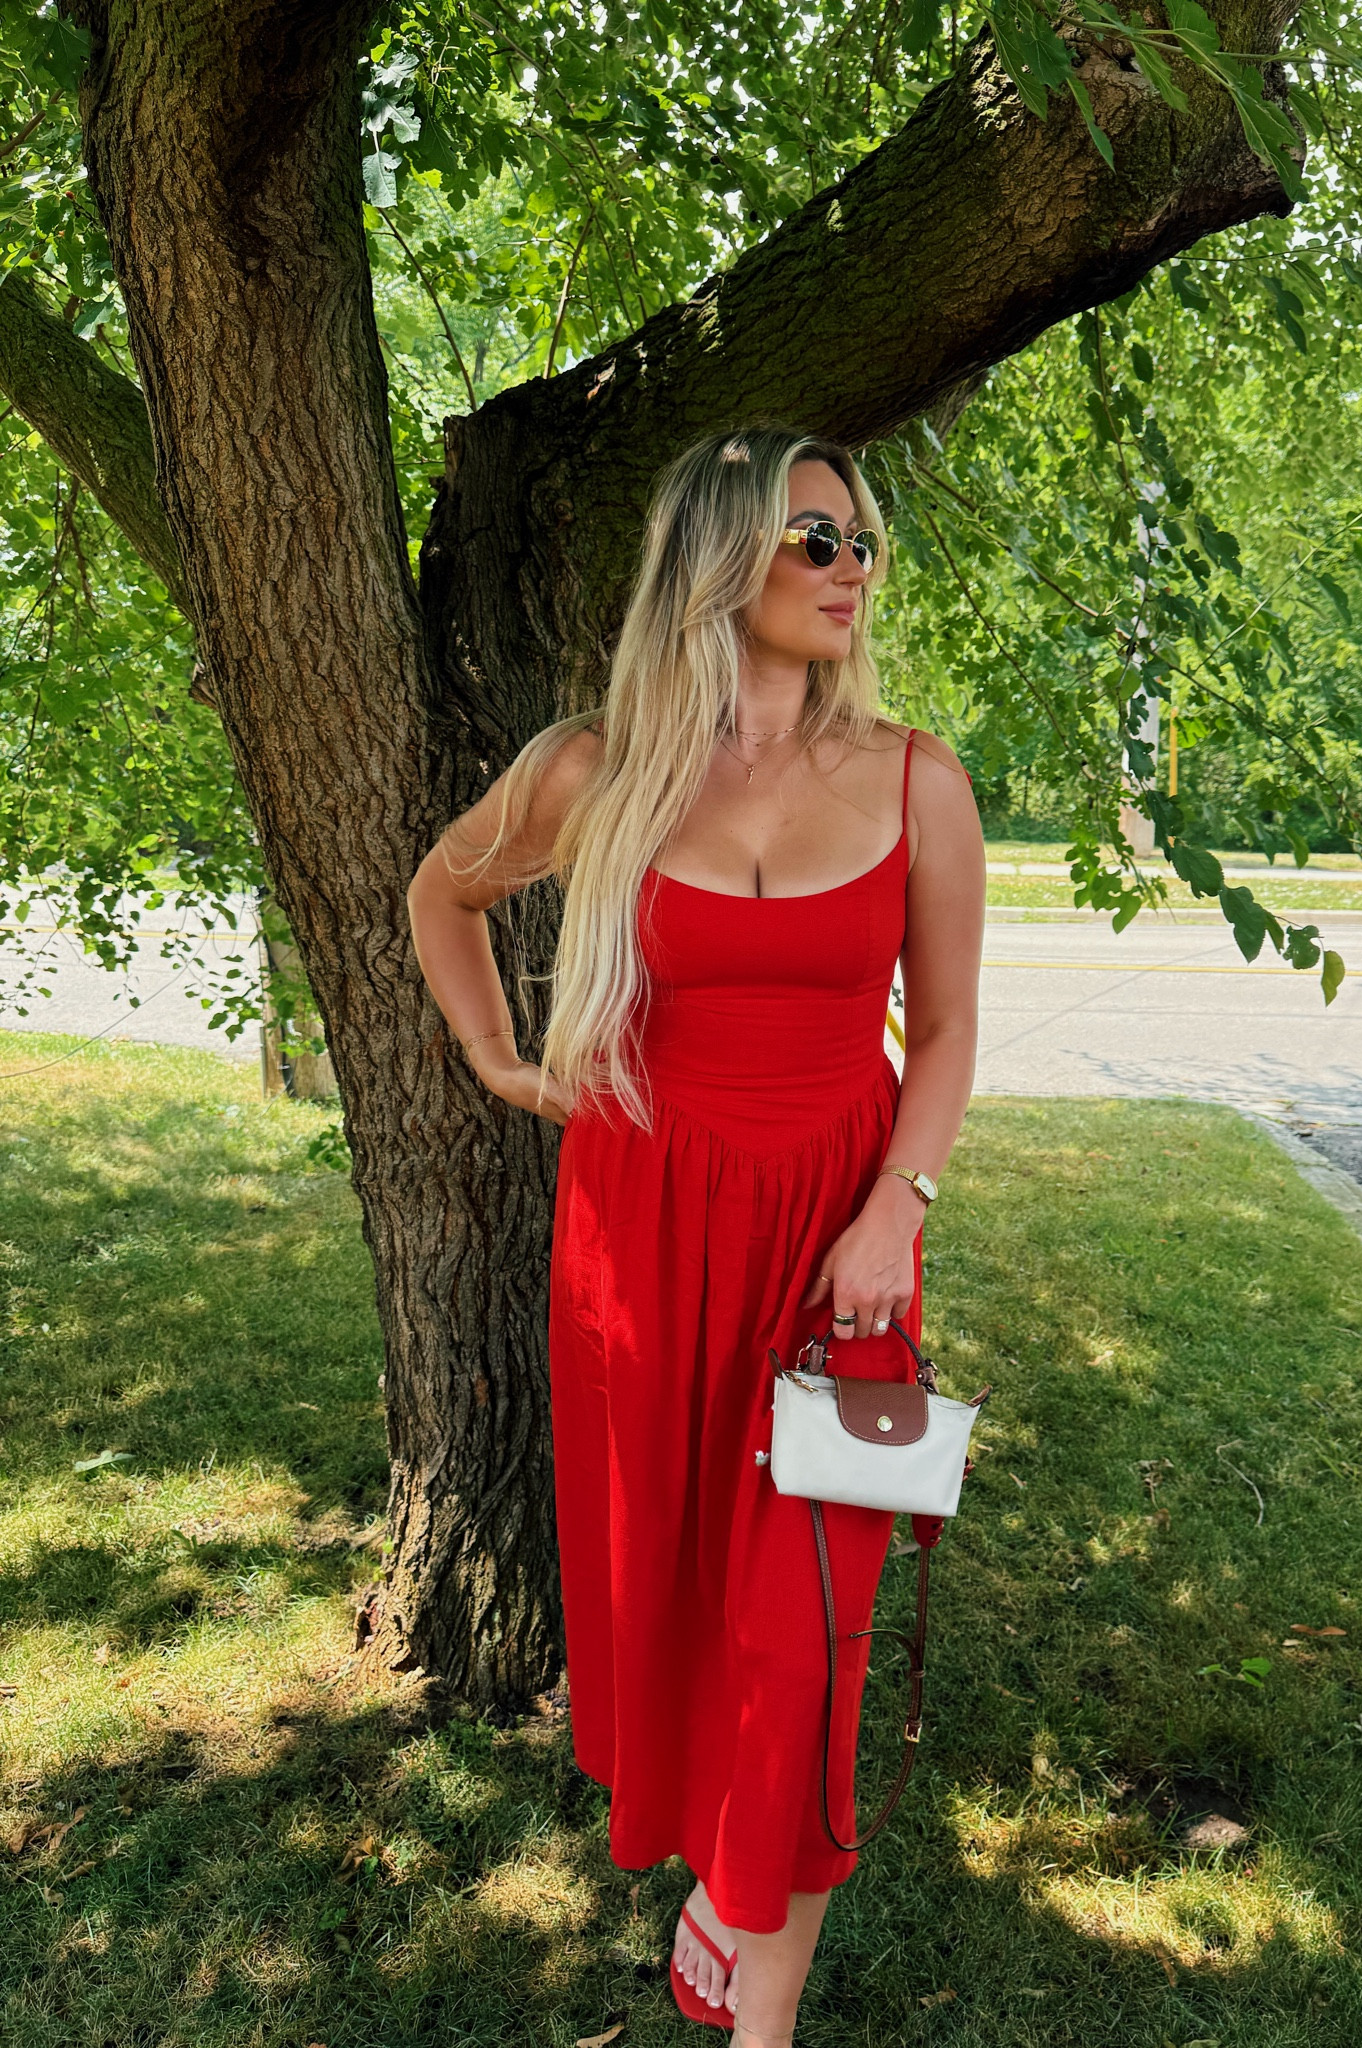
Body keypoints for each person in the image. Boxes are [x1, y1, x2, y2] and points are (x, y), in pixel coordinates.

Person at [407, 425, 985, 2045]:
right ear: (719, 559)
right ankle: (721, 1896)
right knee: (671, 1605)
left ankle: (755, 2006)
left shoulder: (915, 779)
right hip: (639, 1243)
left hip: (839, 1252)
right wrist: (496, 1058)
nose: (851, 568)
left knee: (806, 1643)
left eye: (861, 542)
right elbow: (438, 897)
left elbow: (938, 1037)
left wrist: (898, 1206)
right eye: (816, 539)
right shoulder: (595, 769)